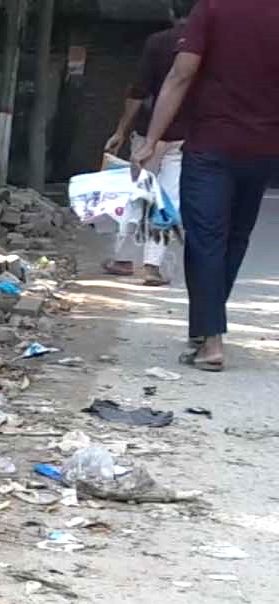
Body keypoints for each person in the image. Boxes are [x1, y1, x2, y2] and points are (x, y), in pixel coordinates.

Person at [136, 0, 279, 371]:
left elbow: (181, 75)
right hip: (264, 149)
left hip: (211, 145)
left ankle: (211, 340)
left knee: (205, 238)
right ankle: (207, 325)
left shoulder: (212, 9)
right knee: (235, 238)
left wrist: (152, 138)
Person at [101, 13, 189, 285]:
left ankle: (122, 259)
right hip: (185, 136)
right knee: (169, 200)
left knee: (138, 194)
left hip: (148, 132)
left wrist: (121, 130)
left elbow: (138, 91)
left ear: (173, 12)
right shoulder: (210, 44)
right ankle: (152, 266)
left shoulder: (158, 42)